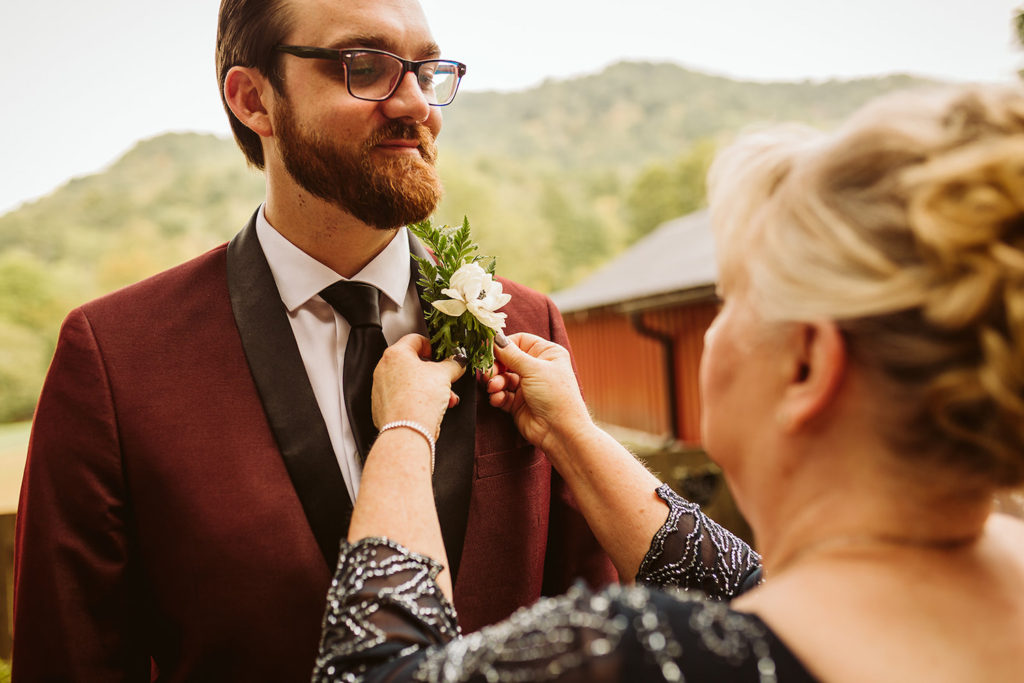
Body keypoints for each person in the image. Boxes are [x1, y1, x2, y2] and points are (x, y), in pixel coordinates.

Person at [313, 83, 1024, 682]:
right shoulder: (993, 566)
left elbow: (372, 670)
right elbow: (746, 582)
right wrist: (571, 430)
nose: (715, 329)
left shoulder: (649, 652)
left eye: (731, 299)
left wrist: (404, 428)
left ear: (807, 362)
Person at [12, 0, 614, 679]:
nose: (415, 103)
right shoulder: (115, 359)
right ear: (252, 99)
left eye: (424, 70)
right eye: (367, 67)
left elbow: (595, 621)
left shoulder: (528, 327)